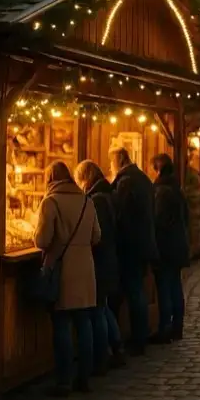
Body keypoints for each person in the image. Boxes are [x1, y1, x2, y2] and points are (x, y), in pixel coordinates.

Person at [34, 161, 101, 396]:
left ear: (50, 178)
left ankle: (63, 381)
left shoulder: (50, 202)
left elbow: (42, 240)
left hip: (63, 271)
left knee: (62, 325)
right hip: (85, 270)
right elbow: (97, 235)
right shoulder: (87, 201)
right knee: (84, 324)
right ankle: (84, 378)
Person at [74, 160, 123, 374]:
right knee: (102, 308)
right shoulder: (107, 194)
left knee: (97, 310)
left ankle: (102, 357)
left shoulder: (97, 200)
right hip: (109, 258)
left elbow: (97, 235)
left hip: (100, 261)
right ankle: (115, 347)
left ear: (85, 178)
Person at [109, 147, 157, 356]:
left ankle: (137, 338)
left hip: (130, 245)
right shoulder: (142, 178)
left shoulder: (126, 181)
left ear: (119, 160)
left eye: (111, 161)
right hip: (142, 243)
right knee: (135, 290)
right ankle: (138, 335)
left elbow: (121, 214)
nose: (110, 166)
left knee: (133, 291)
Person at [151, 154, 190, 342]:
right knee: (175, 286)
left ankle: (165, 328)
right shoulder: (177, 189)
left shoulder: (161, 191)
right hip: (178, 245)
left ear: (158, 170)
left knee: (165, 288)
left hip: (165, 246)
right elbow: (186, 218)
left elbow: (158, 221)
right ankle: (177, 327)